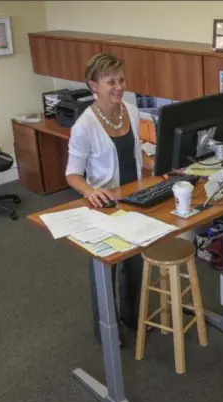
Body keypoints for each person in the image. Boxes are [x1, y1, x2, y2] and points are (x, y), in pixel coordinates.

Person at [65, 53, 153, 347]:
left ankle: (131, 315)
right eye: (110, 81)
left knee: (135, 260)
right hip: (104, 204)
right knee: (106, 266)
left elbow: (135, 150)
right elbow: (72, 174)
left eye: (122, 80)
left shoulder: (131, 109)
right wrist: (89, 191)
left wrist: (157, 165)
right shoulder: (84, 126)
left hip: (134, 196)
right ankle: (106, 326)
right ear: (93, 84)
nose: (119, 87)